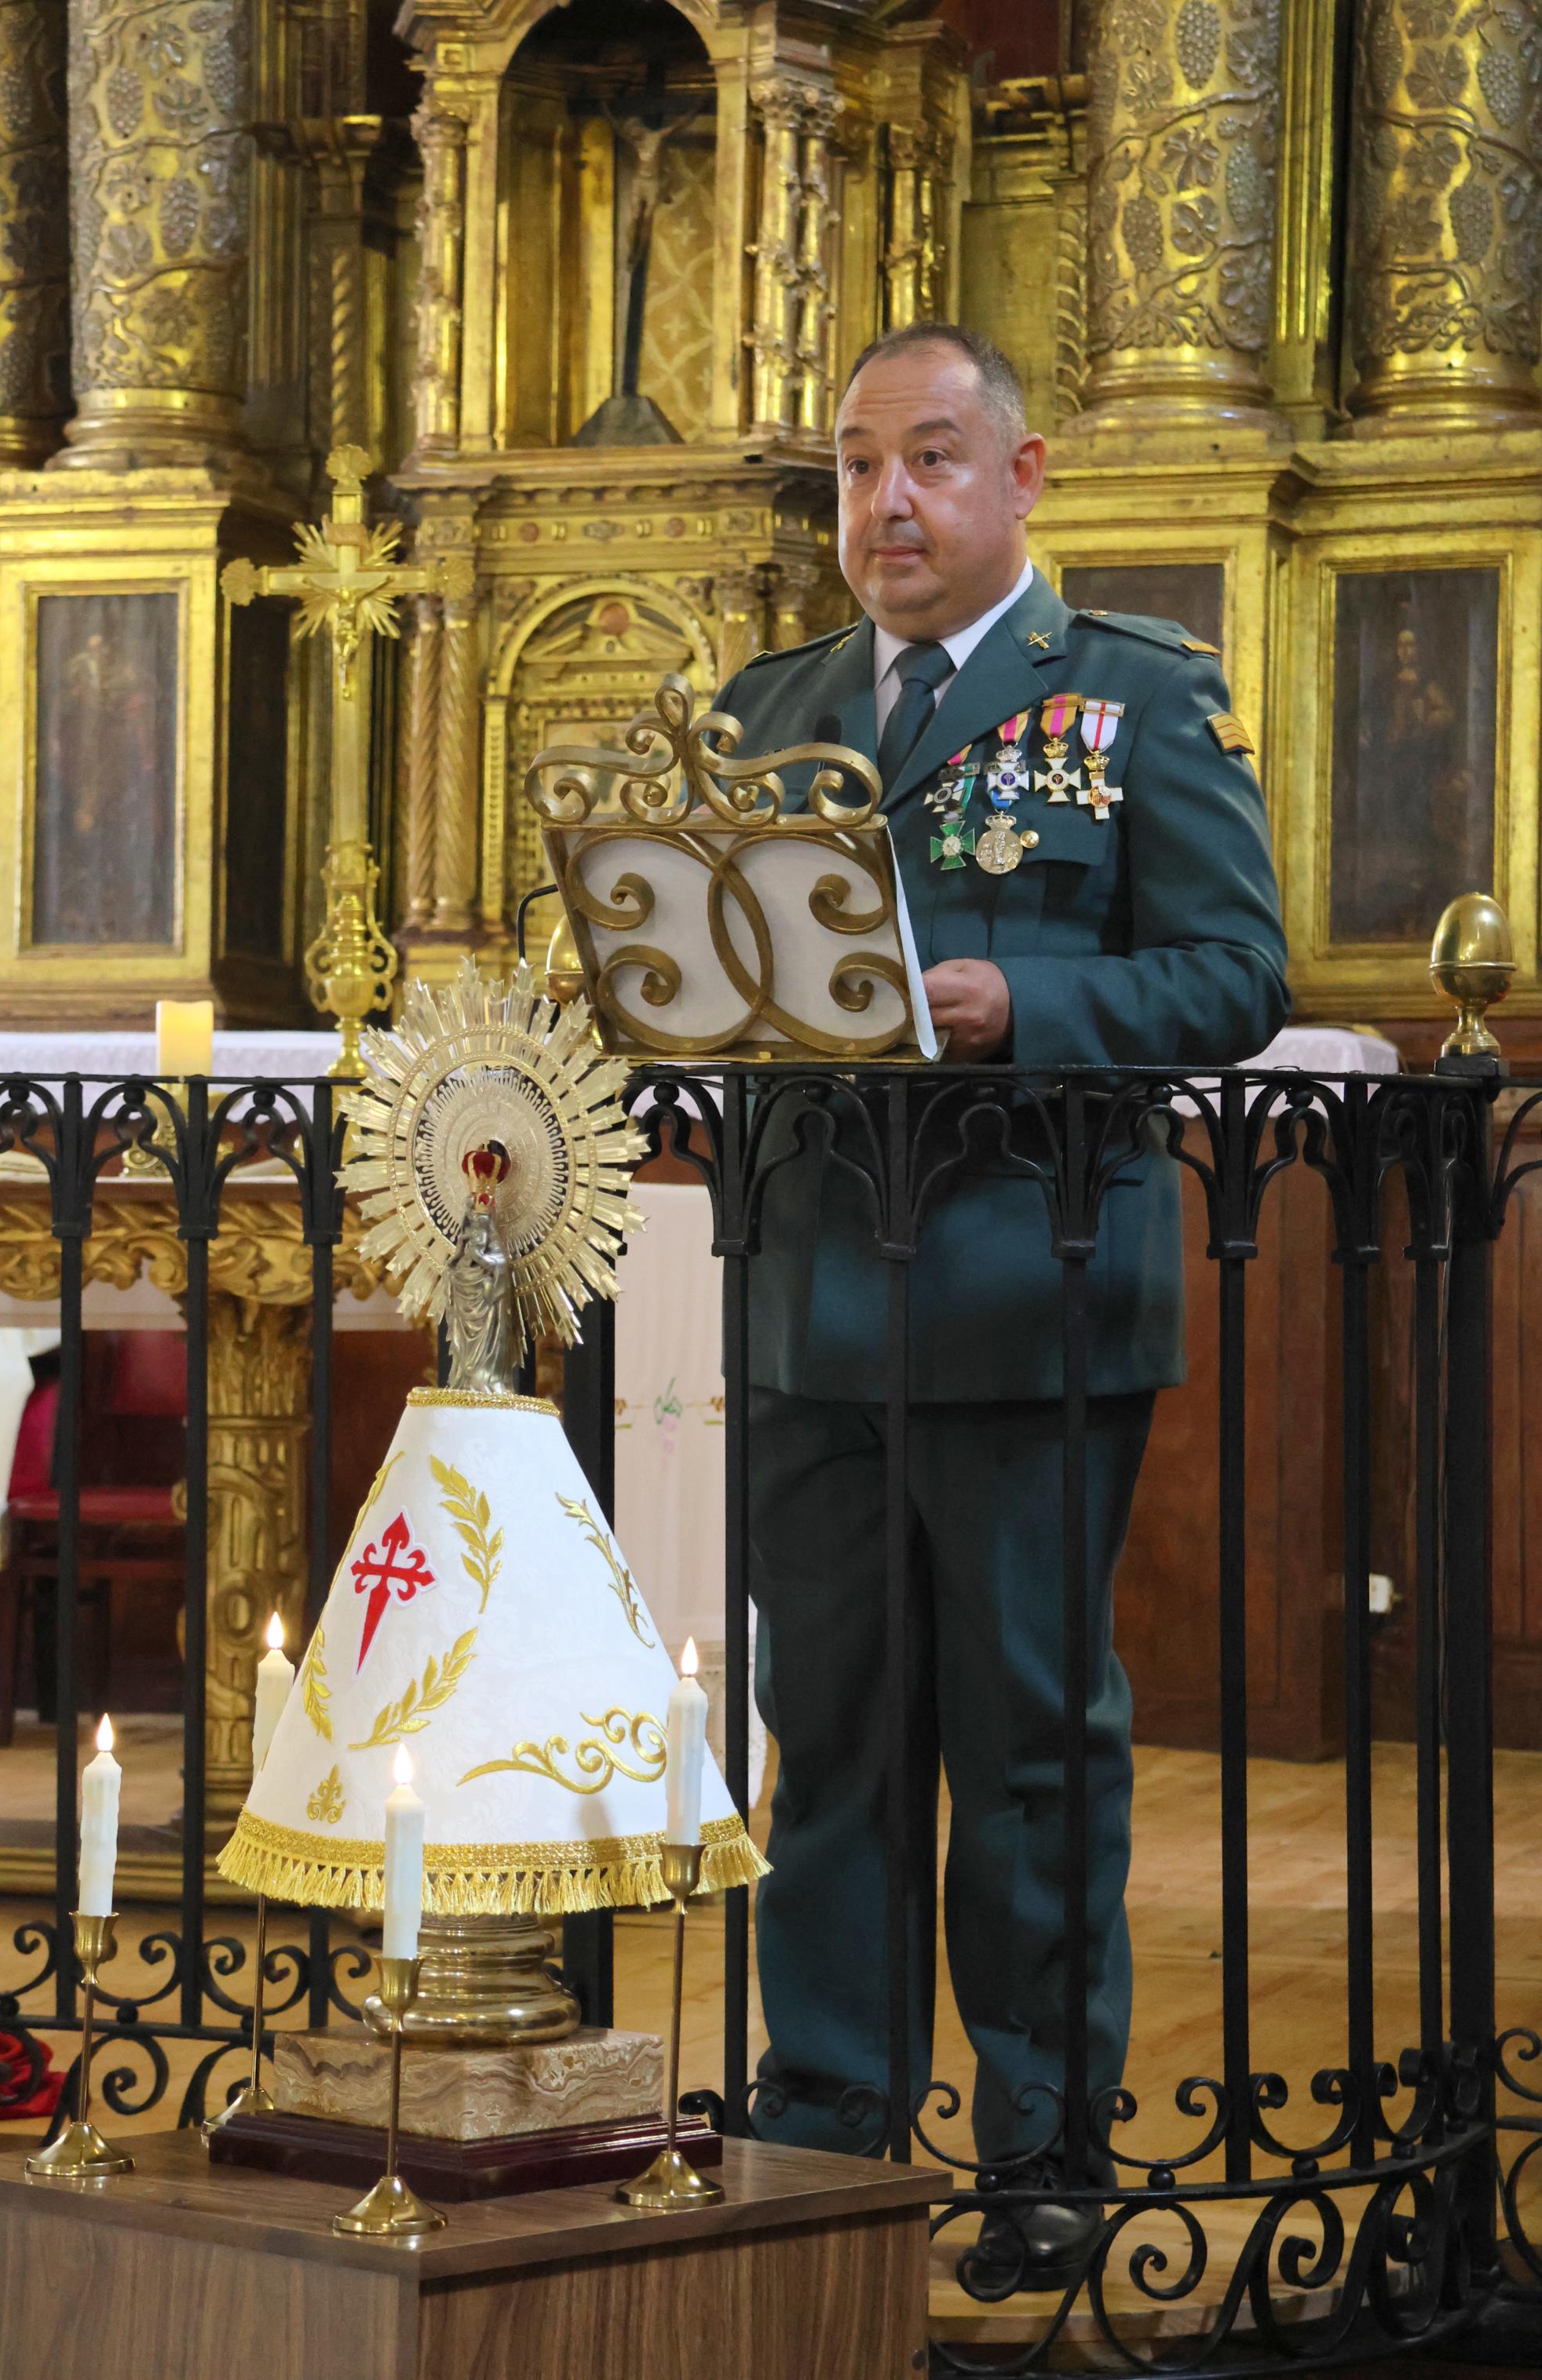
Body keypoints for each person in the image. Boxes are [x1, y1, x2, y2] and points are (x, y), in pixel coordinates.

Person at [714, 323, 1289, 2287]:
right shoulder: (766, 705)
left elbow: (1231, 974)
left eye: (932, 459)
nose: (887, 501)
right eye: (860, 465)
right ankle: (824, 2128)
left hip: (1029, 1301)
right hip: (814, 1306)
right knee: (835, 1740)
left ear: (1023, 477)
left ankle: (1043, 2146)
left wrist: (1023, 1005)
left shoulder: (1128, 699)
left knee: (1035, 1753)